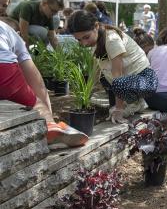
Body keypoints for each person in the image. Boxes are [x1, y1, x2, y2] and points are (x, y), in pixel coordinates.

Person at [0, 19, 88, 147]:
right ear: (18, 33)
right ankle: (51, 127)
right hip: (3, 69)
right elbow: (37, 82)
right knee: (35, 102)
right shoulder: (11, 34)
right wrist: (48, 115)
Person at [68, 10, 158, 123]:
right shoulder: (96, 43)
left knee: (117, 83)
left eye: (86, 37)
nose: (84, 43)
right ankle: (131, 102)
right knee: (104, 78)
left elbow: (118, 76)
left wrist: (119, 110)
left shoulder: (111, 39)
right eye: (79, 40)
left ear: (96, 26)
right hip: (129, 82)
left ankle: (136, 103)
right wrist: (84, 99)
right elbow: (95, 75)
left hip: (146, 80)